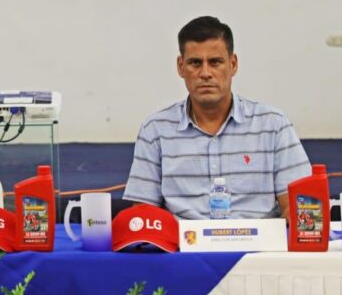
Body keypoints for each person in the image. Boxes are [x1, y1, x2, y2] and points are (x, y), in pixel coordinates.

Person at [124, 16, 311, 219]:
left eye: (215, 62)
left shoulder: (273, 125)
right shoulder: (155, 130)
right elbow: (143, 217)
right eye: (195, 63)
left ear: (233, 64)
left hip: (256, 249)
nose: (205, 73)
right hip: (184, 248)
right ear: (180, 67)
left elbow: (301, 206)